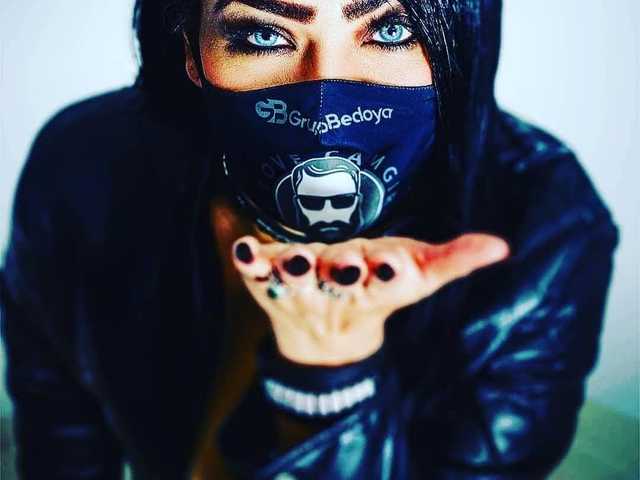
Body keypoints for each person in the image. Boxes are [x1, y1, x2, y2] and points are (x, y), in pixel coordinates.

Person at [0, 0, 619, 478]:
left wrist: (331, 373)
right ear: (191, 48)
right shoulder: (82, 167)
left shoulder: (546, 228)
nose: (325, 101)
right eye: (262, 35)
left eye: (390, 30)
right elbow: (58, 429)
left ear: (460, 42)